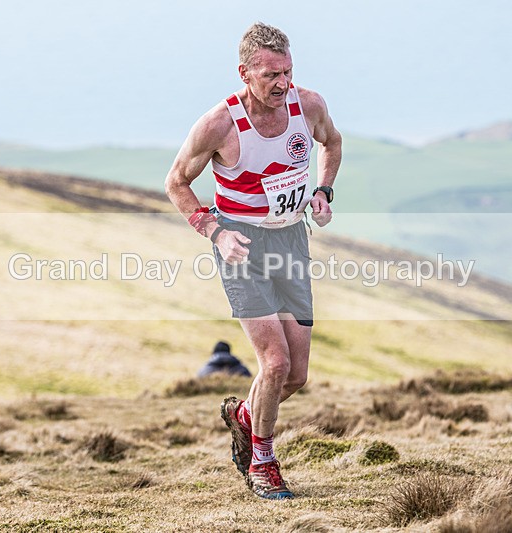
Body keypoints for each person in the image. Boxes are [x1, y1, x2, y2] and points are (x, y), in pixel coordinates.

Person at [165, 22, 342, 499]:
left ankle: (245, 415)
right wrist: (215, 232)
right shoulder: (219, 124)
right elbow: (176, 182)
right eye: (270, 76)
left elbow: (333, 143)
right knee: (276, 362)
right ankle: (262, 462)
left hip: (291, 245)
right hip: (241, 247)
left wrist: (323, 191)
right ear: (244, 73)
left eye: (287, 71)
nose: (282, 83)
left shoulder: (309, 106)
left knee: (297, 374)